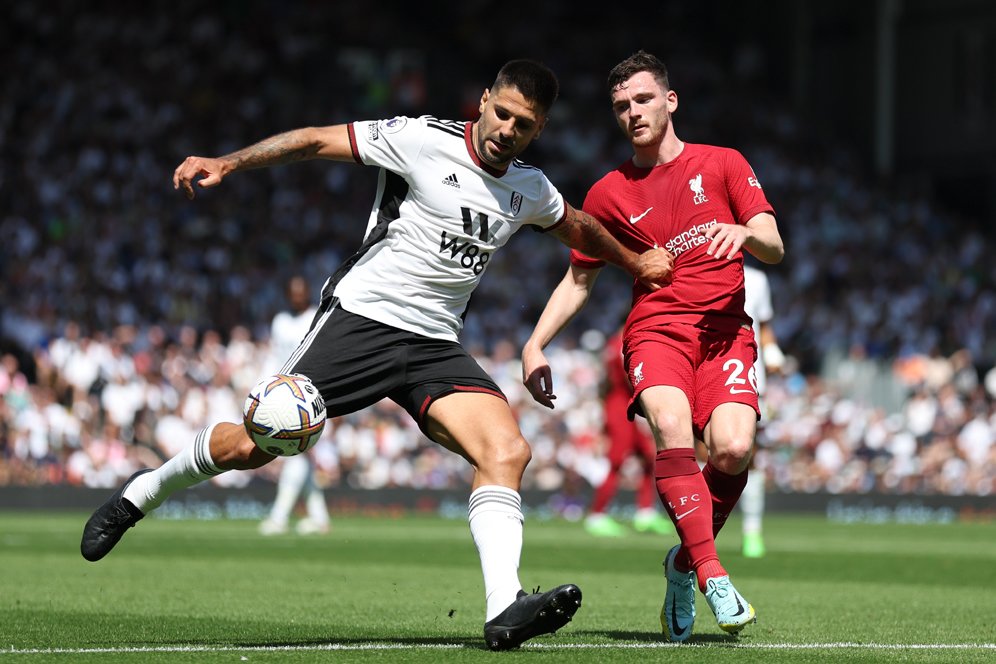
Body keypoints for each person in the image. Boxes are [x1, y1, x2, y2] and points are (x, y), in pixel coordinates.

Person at [79, 59, 673, 651]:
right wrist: (228, 162)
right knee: (251, 446)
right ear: (485, 98)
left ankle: (503, 609)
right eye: (502, 113)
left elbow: (577, 227)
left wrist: (635, 261)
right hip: (361, 320)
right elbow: (314, 141)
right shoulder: (421, 139)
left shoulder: (528, 188)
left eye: (524, 124)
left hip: (435, 343)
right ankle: (143, 493)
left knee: (507, 449)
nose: (506, 130)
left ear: (538, 130)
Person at [521, 51, 784, 642]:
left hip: (725, 334)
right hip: (656, 331)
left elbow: (773, 244)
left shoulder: (722, 164)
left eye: (642, 100)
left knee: (734, 450)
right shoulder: (610, 193)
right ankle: (714, 574)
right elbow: (579, 279)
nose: (632, 113)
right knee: (669, 427)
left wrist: (744, 231)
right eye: (620, 106)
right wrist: (536, 343)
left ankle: (683, 562)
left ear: (670, 101)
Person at [258, 275, 332, 537]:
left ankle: (278, 517)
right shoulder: (280, 321)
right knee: (301, 455)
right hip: (283, 397)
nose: (297, 296)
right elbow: (275, 358)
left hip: (312, 396)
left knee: (297, 452)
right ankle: (320, 519)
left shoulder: (317, 317)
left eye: (301, 292)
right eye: (293, 292)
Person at [584, 326, 674, 538]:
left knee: (648, 456)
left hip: (622, 403)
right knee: (617, 458)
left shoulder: (616, 341)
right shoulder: (624, 341)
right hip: (621, 405)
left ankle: (644, 512)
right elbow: (630, 374)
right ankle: (596, 515)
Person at [739, 264, 785, 558]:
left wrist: (771, 351)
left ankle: (752, 531)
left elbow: (764, 325)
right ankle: (702, 534)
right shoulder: (695, 266)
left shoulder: (756, 279)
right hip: (705, 371)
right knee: (704, 454)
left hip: (750, 375)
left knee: (749, 455)